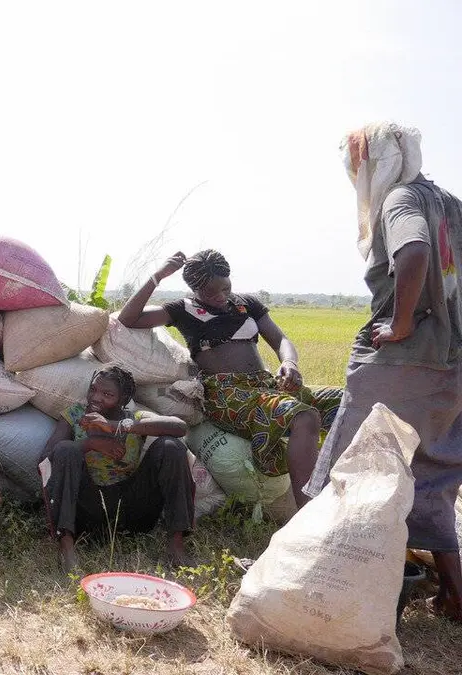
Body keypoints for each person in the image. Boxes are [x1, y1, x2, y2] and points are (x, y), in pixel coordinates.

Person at [305, 122, 462, 621]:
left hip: (400, 364)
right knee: (431, 476)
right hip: (451, 364)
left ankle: (328, 585)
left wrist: (400, 323)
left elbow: (413, 251)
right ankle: (455, 595)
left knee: (351, 467)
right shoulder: (450, 204)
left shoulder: (399, 199)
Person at [118, 249, 342, 509]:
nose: (220, 297)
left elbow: (280, 339)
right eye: (210, 293)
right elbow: (128, 319)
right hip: (226, 395)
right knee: (303, 417)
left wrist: (289, 362)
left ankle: (347, 490)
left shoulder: (247, 304)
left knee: (345, 402)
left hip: (266, 386)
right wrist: (158, 275)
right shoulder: (183, 309)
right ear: (194, 289)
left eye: (225, 288)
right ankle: (310, 514)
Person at [39, 366, 194, 571]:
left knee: (171, 446)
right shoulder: (75, 415)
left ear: (124, 399)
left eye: (107, 394)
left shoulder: (134, 418)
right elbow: (46, 460)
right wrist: (90, 444)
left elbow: (179, 427)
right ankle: (66, 548)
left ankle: (176, 547)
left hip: (132, 511)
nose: (96, 397)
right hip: (87, 510)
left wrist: (116, 426)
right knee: (65, 449)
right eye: (93, 389)